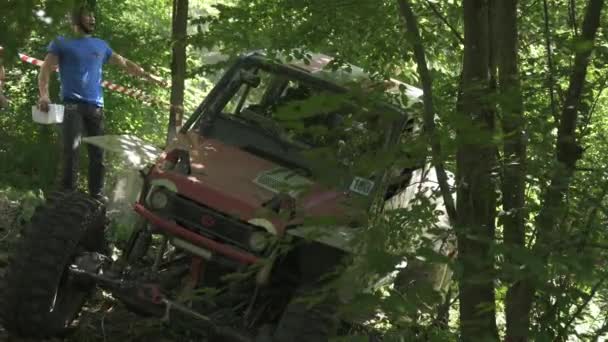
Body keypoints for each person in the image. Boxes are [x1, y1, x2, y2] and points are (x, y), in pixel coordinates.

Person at [37, 4, 165, 200]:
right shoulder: (62, 42)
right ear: (76, 20)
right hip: (72, 107)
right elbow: (45, 69)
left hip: (96, 108)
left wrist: (151, 77)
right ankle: (65, 195)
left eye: (93, 17)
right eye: (88, 16)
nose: (93, 19)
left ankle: (96, 196)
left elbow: (125, 64)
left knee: (99, 155)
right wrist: (44, 95)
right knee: (71, 152)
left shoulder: (101, 45)